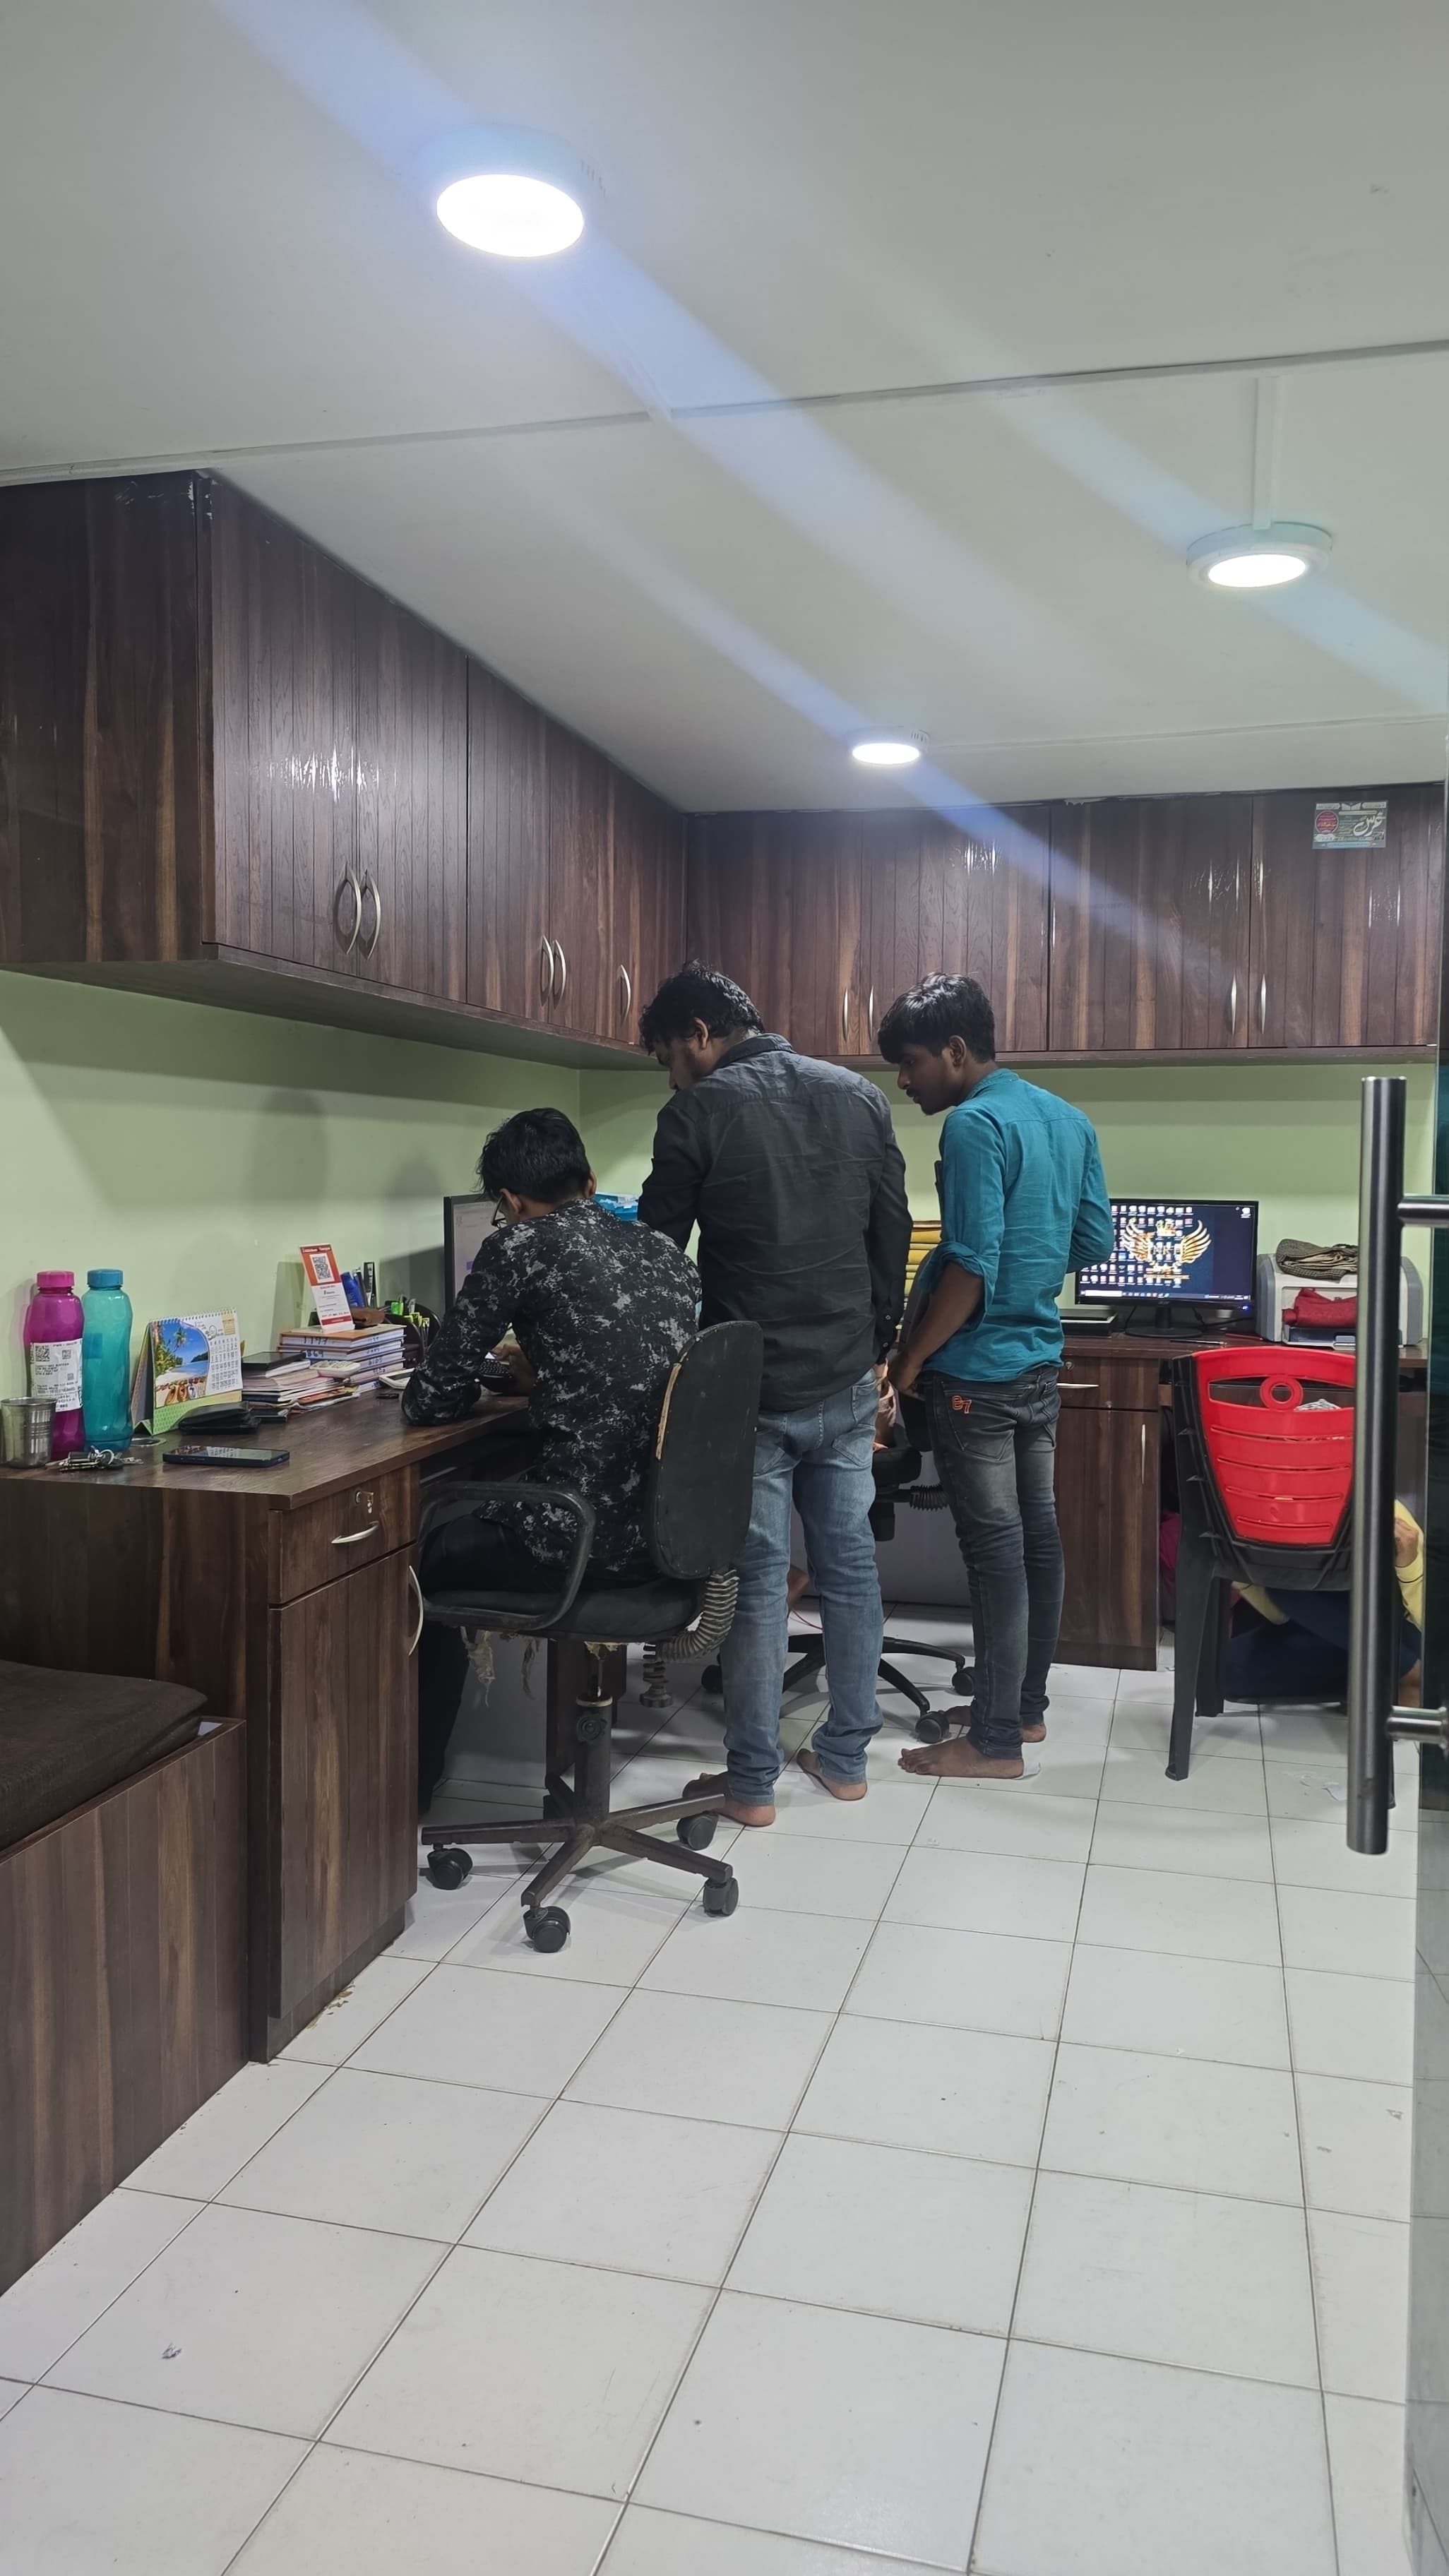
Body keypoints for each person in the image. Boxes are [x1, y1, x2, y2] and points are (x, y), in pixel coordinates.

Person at [638, 962, 911, 1826]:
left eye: (668, 1057)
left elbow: (655, 1254)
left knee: (758, 1581)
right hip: (845, 1373)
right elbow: (893, 1230)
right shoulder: (860, 1097)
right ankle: (847, 1759)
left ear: (698, 1033)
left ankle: (752, 1785)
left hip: (750, 1385)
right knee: (850, 1566)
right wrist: (878, 1346)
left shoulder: (697, 1112)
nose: (673, 1077)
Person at [403, 1107, 698, 1811]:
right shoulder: (664, 1251)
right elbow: (631, 1372)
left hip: (579, 1536)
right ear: (588, 1181)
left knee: (418, 1562)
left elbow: (430, 1399)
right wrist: (543, 1372)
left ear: (509, 1202)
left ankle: (409, 1791)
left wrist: (474, 1378)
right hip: (668, 1534)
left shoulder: (519, 1247)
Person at [879, 972, 1114, 1780]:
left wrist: (910, 1358)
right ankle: (1023, 1709)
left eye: (911, 1063)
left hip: (975, 1373)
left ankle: (993, 1741)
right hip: (1039, 1361)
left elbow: (972, 1265)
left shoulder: (976, 1125)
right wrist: (1031, 1273)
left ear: (954, 1050)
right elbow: (1092, 1238)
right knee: (1036, 1541)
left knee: (995, 1555)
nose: (904, 1081)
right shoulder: (1068, 1119)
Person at [1226, 1503, 1424, 1706]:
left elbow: (1428, 1623)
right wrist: (1240, 1572)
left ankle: (1406, 1670)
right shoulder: (1260, 1517)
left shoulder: (1385, 1511)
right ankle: (1388, 1676)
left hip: (1403, 1632)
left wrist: (1409, 1566)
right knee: (1227, 1669)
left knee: (1288, 1588)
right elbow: (1279, 1616)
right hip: (1336, 1634)